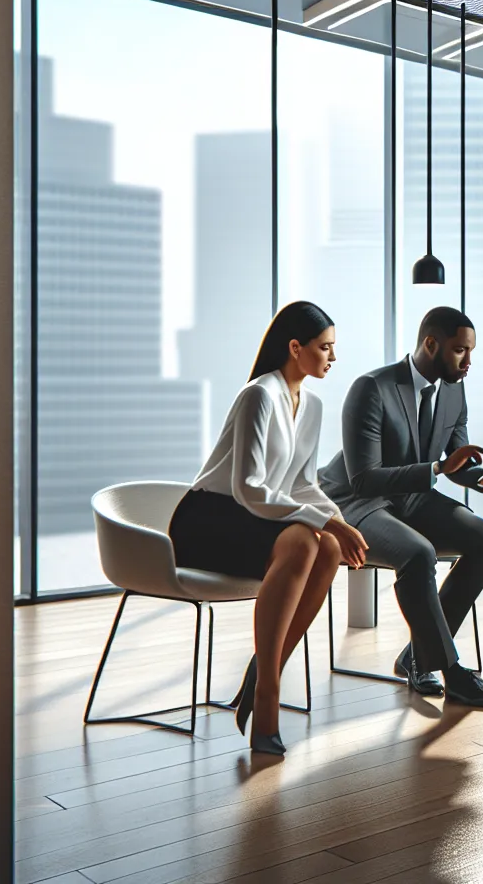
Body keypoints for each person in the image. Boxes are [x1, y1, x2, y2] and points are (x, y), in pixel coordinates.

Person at [169, 301, 368, 755]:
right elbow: (249, 488)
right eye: (325, 348)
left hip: (253, 515)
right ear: (295, 348)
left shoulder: (312, 405)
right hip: (208, 518)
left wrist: (338, 524)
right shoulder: (259, 395)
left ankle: (264, 669)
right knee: (303, 540)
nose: (332, 358)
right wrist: (327, 524)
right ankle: (268, 699)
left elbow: (302, 484)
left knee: (328, 549)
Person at [318, 307, 483, 707]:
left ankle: (416, 656)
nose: (468, 362)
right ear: (431, 344)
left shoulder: (453, 388)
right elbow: (364, 477)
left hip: (412, 497)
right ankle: (452, 672)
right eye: (460, 351)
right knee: (417, 552)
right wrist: (438, 468)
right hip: (355, 502)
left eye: (470, 351)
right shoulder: (372, 388)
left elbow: (456, 460)